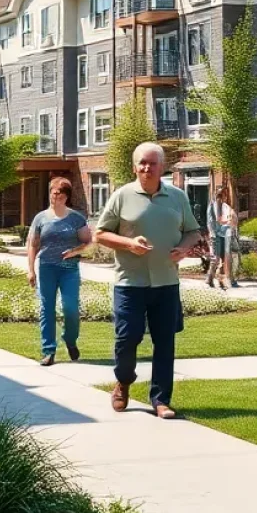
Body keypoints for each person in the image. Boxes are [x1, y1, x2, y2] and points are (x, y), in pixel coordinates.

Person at [95, 142, 201, 419]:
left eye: (152, 163)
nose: (146, 168)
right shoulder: (121, 196)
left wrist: (184, 248)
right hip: (129, 283)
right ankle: (123, 381)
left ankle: (161, 400)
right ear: (134, 167)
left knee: (164, 343)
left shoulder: (177, 197)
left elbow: (193, 231)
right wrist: (129, 244)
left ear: (162, 167)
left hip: (166, 282)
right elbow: (100, 234)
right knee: (126, 338)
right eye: (142, 162)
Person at [27, 176, 92, 366]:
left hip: (69, 270)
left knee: (70, 308)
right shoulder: (40, 218)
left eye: (60, 195)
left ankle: (70, 339)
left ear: (66, 197)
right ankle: (48, 350)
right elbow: (33, 245)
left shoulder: (76, 218)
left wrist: (75, 251)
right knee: (46, 308)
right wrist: (30, 270)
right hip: (47, 268)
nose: (55, 197)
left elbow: (88, 242)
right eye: (53, 193)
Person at [206, 187, 239, 290]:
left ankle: (229, 280)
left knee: (226, 258)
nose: (223, 197)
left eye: (223, 195)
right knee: (216, 259)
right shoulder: (214, 205)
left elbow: (231, 218)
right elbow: (217, 220)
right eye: (220, 195)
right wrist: (228, 221)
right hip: (215, 235)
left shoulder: (224, 206)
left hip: (223, 235)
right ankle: (209, 279)